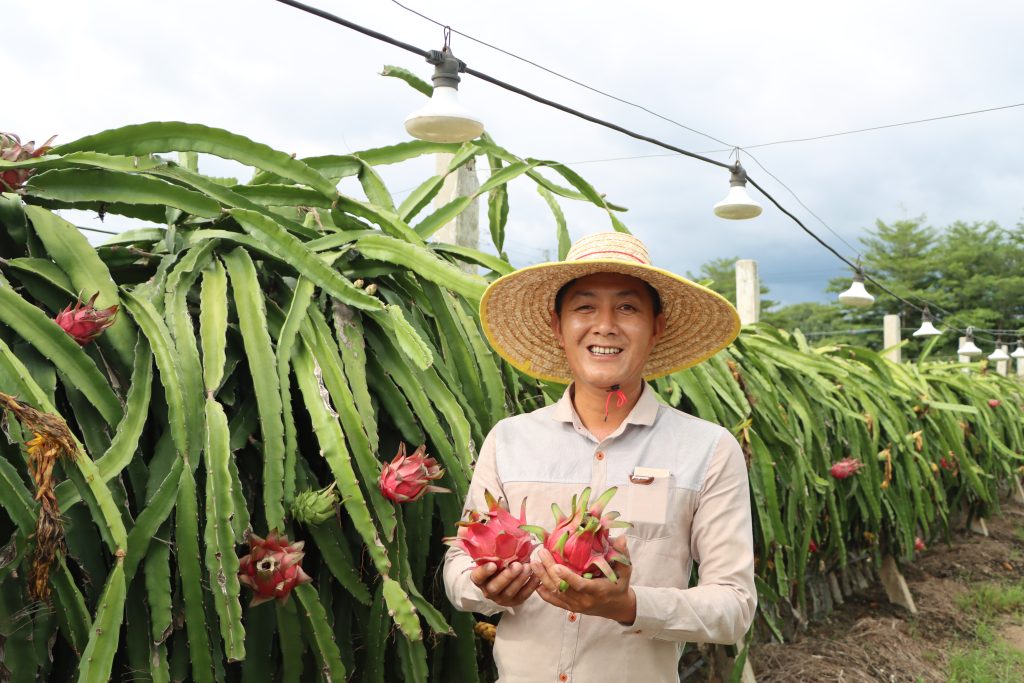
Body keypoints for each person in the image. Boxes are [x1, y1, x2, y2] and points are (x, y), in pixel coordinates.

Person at [443, 232, 756, 682]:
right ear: (558, 326)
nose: (605, 325)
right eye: (585, 307)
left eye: (627, 307)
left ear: (657, 327)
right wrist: (485, 588)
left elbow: (734, 605)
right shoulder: (509, 440)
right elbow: (459, 561)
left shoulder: (707, 450)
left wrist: (629, 606)